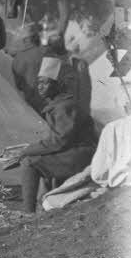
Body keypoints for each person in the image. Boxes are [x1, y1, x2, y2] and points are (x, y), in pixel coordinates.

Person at [14, 57, 98, 213]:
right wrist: (32, 149)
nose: (40, 87)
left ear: (58, 85)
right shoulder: (59, 104)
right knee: (34, 157)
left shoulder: (64, 107)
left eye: (45, 83)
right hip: (75, 151)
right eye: (38, 82)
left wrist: (28, 150)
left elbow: (59, 141)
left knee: (29, 163)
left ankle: (28, 212)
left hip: (81, 154)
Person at [43, 31, 92, 125]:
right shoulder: (77, 60)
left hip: (70, 110)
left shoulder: (54, 65)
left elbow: (84, 89)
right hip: (73, 109)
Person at [10, 22, 46, 113]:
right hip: (46, 102)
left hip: (30, 102)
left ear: (27, 40)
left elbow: (18, 84)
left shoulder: (19, 57)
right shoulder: (46, 53)